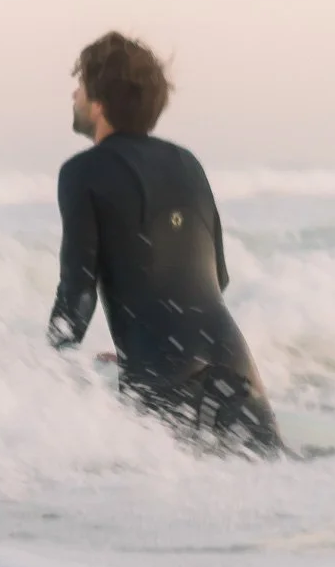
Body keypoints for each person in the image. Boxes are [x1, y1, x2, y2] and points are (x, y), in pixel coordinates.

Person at [49, 33, 282, 455]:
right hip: (234, 363)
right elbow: (218, 278)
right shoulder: (187, 164)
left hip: (166, 378)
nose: (74, 93)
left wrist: (42, 377)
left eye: (80, 84)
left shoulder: (82, 172)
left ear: (99, 102)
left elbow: (76, 296)